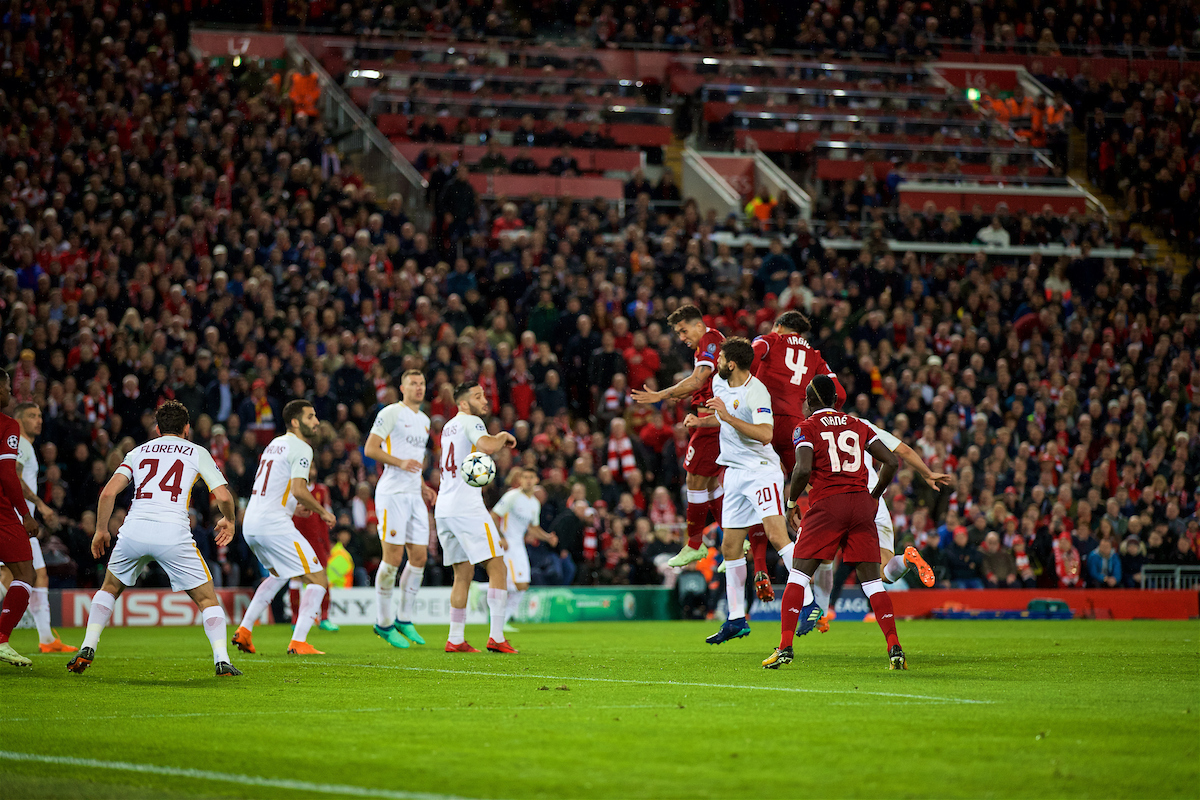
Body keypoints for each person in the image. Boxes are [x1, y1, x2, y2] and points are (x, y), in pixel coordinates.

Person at [66, 401, 240, 676]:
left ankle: (87, 646)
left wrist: (101, 530)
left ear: (157, 429)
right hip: (173, 532)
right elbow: (223, 496)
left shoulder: (138, 451)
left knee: (109, 588)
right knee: (207, 600)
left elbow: (108, 493)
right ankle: (221, 659)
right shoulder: (196, 452)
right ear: (187, 428)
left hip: (134, 529)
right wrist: (229, 520)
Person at [764, 375, 904, 670]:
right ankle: (894, 648)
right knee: (873, 583)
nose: (802, 403)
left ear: (812, 399)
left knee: (799, 576)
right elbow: (891, 462)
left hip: (827, 504)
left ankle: (785, 647)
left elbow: (802, 469)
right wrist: (874, 496)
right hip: (860, 504)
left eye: (805, 398)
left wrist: (791, 502)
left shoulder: (806, 427)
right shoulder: (859, 424)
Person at [685, 338, 797, 645]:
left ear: (731, 364)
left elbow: (765, 434)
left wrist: (727, 415)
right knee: (730, 547)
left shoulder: (756, 390)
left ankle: (810, 601)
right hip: (733, 472)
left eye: (720, 359)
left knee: (777, 535)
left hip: (760, 470)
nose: (716, 363)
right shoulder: (721, 387)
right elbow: (724, 422)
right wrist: (702, 421)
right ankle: (736, 619)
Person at [746, 311, 846, 600]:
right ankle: (813, 551)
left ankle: (760, 565)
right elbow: (838, 393)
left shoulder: (770, 340)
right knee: (814, 490)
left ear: (778, 325)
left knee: (761, 493)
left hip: (764, 422)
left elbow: (747, 361)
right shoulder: (814, 355)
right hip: (796, 427)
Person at [233, 400, 337, 656]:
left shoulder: (275, 443)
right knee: (318, 578)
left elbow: (278, 487)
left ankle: (244, 631)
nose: (316, 422)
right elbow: (300, 489)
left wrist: (293, 506)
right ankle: (298, 641)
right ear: (295, 421)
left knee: (278, 575)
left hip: (253, 523)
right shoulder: (302, 447)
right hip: (273, 524)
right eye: (311, 416)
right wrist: (323, 511)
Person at [632, 305, 723, 568]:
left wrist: (660, 395)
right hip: (712, 421)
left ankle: (694, 544)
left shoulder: (710, 340)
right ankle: (733, 536)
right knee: (709, 484)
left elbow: (696, 381)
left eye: (684, 331)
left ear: (698, 325)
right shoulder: (705, 346)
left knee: (694, 479)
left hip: (711, 424)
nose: (682, 337)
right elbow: (695, 386)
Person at [435, 382, 519, 653]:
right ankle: (496, 635)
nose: (485, 400)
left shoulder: (448, 426)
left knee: (463, 573)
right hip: (466, 506)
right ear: (462, 403)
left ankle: (456, 638)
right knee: (498, 567)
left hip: (444, 508)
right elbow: (486, 446)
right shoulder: (471, 421)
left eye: (484, 395)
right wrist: (503, 436)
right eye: (478, 396)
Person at [365, 370, 437, 649]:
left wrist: (421, 484)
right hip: (392, 493)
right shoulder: (391, 413)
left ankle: (404, 618)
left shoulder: (425, 420)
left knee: (418, 557)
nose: (419, 388)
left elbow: (414, 461)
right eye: (413, 384)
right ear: (402, 387)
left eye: (422, 383)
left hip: (412, 495)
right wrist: (399, 462)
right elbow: (370, 448)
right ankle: (383, 623)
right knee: (392, 558)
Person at [0, 402, 74, 653]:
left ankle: (46, 639)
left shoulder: (26, 445)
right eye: (32, 416)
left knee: (37, 575)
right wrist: (40, 506)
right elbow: (14, 477)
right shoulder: (18, 442)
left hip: (19, 520)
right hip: (13, 520)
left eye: (40, 415)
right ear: (19, 419)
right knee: (16, 576)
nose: (39, 420)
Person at [0, 370, 40, 667]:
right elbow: (7, 475)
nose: (9, 393)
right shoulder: (7, 425)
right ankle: (1, 638)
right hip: (1, 513)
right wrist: (25, 514)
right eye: (5, 386)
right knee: (25, 573)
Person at [491, 468, 550, 632]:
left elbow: (533, 528)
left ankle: (502, 619)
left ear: (536, 480)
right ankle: (481, 590)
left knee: (522, 586)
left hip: (519, 546)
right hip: (507, 545)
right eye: (525, 477)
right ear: (520, 480)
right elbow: (493, 516)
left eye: (531, 477)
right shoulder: (512, 496)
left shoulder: (534, 503)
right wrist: (501, 536)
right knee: (513, 584)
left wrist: (547, 537)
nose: (528, 480)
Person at [289, 464, 335, 631]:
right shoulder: (293, 489)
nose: (311, 471)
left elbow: (326, 516)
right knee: (295, 578)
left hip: (317, 541)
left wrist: (326, 543)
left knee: (322, 578)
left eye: (314, 468)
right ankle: (295, 618)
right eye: (309, 468)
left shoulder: (322, 491)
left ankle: (324, 618)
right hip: (296, 539)